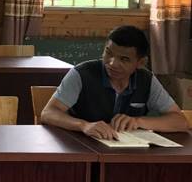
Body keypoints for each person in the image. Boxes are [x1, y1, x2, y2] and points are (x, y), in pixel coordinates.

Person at [40, 25, 188, 139]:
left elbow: (180, 121)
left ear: (140, 62)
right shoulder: (82, 73)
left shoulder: (146, 79)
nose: (112, 63)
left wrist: (138, 121)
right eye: (108, 53)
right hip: (82, 147)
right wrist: (84, 125)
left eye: (124, 59)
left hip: (128, 152)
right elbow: (48, 113)